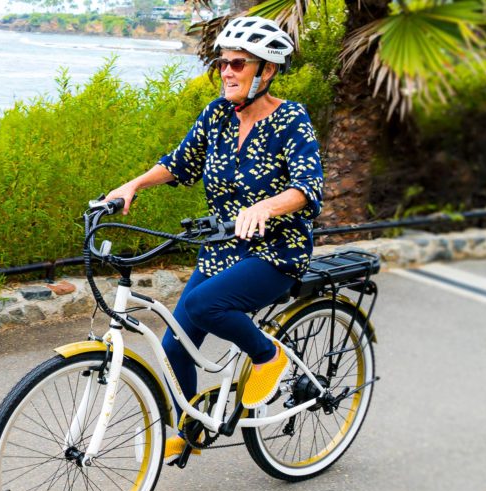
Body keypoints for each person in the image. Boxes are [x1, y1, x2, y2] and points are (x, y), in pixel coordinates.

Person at [103, 16, 324, 459]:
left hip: (276, 251)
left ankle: (267, 357)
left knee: (206, 306)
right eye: (223, 63)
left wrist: (265, 207)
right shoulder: (218, 115)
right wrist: (134, 184)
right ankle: (187, 430)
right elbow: (179, 162)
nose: (227, 71)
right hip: (223, 248)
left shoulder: (290, 120)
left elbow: (308, 187)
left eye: (239, 64)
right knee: (175, 346)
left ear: (268, 70)